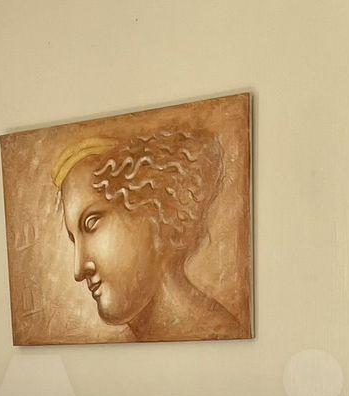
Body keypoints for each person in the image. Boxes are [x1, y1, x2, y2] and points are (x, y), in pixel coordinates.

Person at [51, 131, 244, 343]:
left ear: (154, 208)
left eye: (92, 223)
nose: (79, 270)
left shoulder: (222, 336)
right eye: (74, 239)